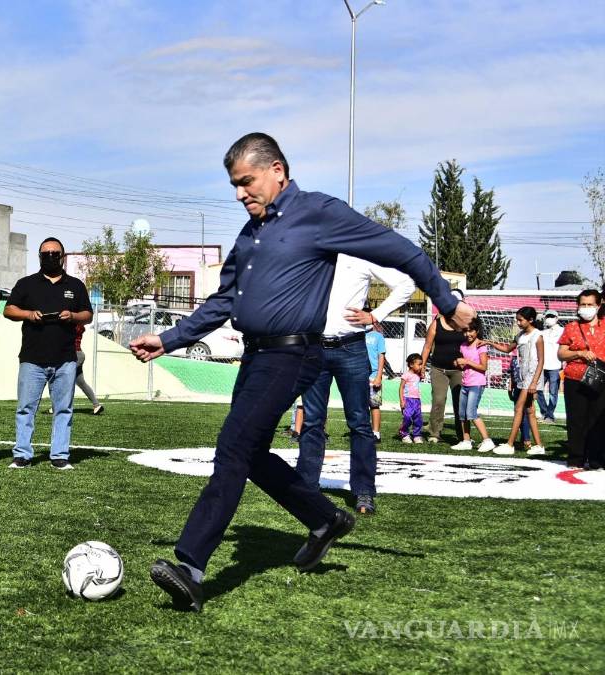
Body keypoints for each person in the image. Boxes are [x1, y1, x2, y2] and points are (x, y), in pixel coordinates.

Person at [128, 133, 474, 611]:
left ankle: (191, 567)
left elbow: (400, 250)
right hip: (255, 356)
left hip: (293, 354)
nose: (239, 193)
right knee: (248, 452)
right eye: (233, 185)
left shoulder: (319, 212)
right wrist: (168, 339)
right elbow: (225, 300)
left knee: (232, 448)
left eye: (246, 181)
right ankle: (325, 519)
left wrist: (446, 299)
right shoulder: (249, 234)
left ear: (277, 171)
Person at [296, 256, 415, 517]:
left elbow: (406, 284)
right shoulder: (310, 254)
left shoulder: (359, 256)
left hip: (351, 348)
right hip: (313, 347)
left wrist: (375, 316)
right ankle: (305, 489)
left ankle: (363, 490)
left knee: (359, 423)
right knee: (313, 421)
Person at [3, 238, 92, 469]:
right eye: (46, 253)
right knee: (26, 409)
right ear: (39, 256)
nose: (50, 256)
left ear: (62, 257)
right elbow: (8, 309)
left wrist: (72, 316)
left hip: (65, 359)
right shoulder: (26, 284)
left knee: (64, 409)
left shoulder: (76, 285)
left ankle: (59, 455)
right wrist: (29, 314)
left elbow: (87, 315)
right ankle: (22, 454)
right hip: (32, 359)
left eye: (55, 253)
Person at [486, 307, 545, 455]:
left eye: (521, 320)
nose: (518, 322)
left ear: (530, 320)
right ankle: (539, 446)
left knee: (519, 408)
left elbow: (541, 361)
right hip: (523, 375)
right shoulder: (520, 335)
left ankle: (510, 444)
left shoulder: (538, 336)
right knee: (530, 410)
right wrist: (489, 342)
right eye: (517, 320)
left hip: (532, 376)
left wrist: (534, 382)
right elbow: (507, 349)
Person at [557, 289, 605, 469]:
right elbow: (561, 353)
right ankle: (576, 458)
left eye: (590, 304)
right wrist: (579, 353)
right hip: (575, 379)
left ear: (598, 306)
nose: (585, 308)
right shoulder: (571, 327)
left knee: (598, 420)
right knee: (576, 420)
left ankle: (596, 459)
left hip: (600, 380)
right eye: (582, 304)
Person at [419, 291, 467, 444]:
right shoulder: (436, 323)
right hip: (438, 368)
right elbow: (427, 346)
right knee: (438, 400)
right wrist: (421, 366)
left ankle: (463, 436)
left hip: (459, 371)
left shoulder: (466, 323)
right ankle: (434, 433)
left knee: (460, 403)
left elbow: (474, 344)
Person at [451, 318, 495, 452]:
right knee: (462, 414)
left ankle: (487, 440)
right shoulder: (463, 346)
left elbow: (483, 367)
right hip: (465, 383)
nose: (468, 334)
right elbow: (464, 365)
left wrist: (467, 361)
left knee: (471, 413)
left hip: (477, 384)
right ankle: (466, 440)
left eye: (471, 331)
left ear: (477, 331)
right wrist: (458, 364)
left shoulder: (481, 346)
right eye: (465, 331)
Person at [537, 309, 564, 422]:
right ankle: (544, 412)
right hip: (542, 366)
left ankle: (550, 415)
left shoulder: (563, 331)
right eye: (548, 316)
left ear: (557, 318)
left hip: (556, 366)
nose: (549, 318)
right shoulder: (542, 332)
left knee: (553, 393)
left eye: (552, 316)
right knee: (538, 390)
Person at [366, 317, 389, 444]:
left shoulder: (378, 337)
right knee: (360, 406)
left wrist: (379, 376)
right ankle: (363, 432)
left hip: (373, 375)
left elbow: (381, 356)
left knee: (374, 405)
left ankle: (376, 433)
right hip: (359, 375)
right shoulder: (357, 335)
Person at [397, 354, 425, 443]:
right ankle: (404, 433)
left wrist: (422, 371)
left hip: (416, 400)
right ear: (411, 364)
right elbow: (401, 387)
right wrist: (402, 401)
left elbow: (423, 376)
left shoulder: (418, 375)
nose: (421, 366)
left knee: (418, 418)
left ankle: (416, 435)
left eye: (421, 364)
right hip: (407, 400)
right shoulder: (406, 375)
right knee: (407, 417)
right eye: (419, 364)